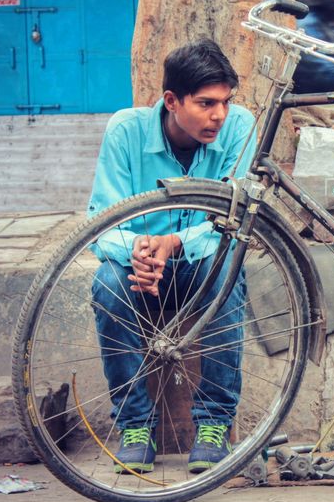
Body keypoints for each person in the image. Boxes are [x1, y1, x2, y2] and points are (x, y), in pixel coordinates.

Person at [87, 38, 254, 474]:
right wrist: (138, 252)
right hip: (140, 273)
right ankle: (136, 427)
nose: (218, 115)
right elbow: (100, 222)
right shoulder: (126, 131)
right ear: (171, 100)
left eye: (224, 102)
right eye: (205, 103)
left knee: (225, 277)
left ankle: (214, 425)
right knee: (106, 285)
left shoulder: (239, 128)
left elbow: (233, 220)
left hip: (202, 264)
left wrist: (176, 244)